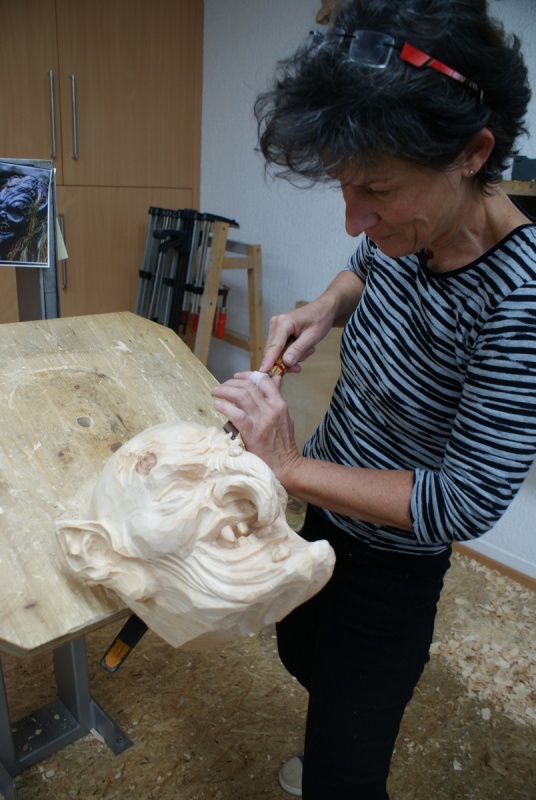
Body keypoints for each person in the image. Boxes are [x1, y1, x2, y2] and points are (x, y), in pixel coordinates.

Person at [212, 1, 535, 797]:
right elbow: (364, 266)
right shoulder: (407, 226)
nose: (356, 220)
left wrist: (285, 466)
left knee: (345, 770)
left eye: (377, 191)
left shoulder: (519, 302)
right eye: (345, 188)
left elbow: (463, 502)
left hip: (392, 566)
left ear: (473, 153)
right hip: (325, 511)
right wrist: (327, 304)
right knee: (301, 653)